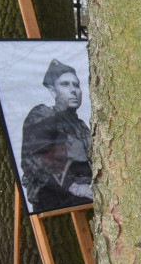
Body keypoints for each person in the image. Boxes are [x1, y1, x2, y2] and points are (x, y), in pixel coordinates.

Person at [20, 59, 93, 213]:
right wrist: (74, 187)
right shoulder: (43, 115)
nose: (73, 90)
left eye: (76, 85)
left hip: (88, 194)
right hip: (56, 197)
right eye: (65, 84)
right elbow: (35, 159)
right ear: (53, 91)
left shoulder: (81, 126)